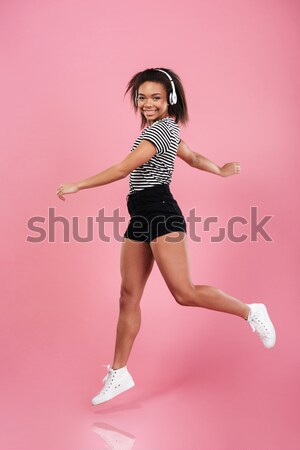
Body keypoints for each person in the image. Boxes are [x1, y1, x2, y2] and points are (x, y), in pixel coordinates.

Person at [56, 68, 276, 406]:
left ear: (170, 99)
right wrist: (218, 169)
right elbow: (191, 156)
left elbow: (122, 168)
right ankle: (120, 372)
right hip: (141, 214)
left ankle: (250, 311)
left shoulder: (158, 132)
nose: (147, 103)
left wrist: (78, 184)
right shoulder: (166, 131)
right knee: (128, 295)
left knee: (184, 293)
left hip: (160, 211)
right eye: (142, 97)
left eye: (155, 97)